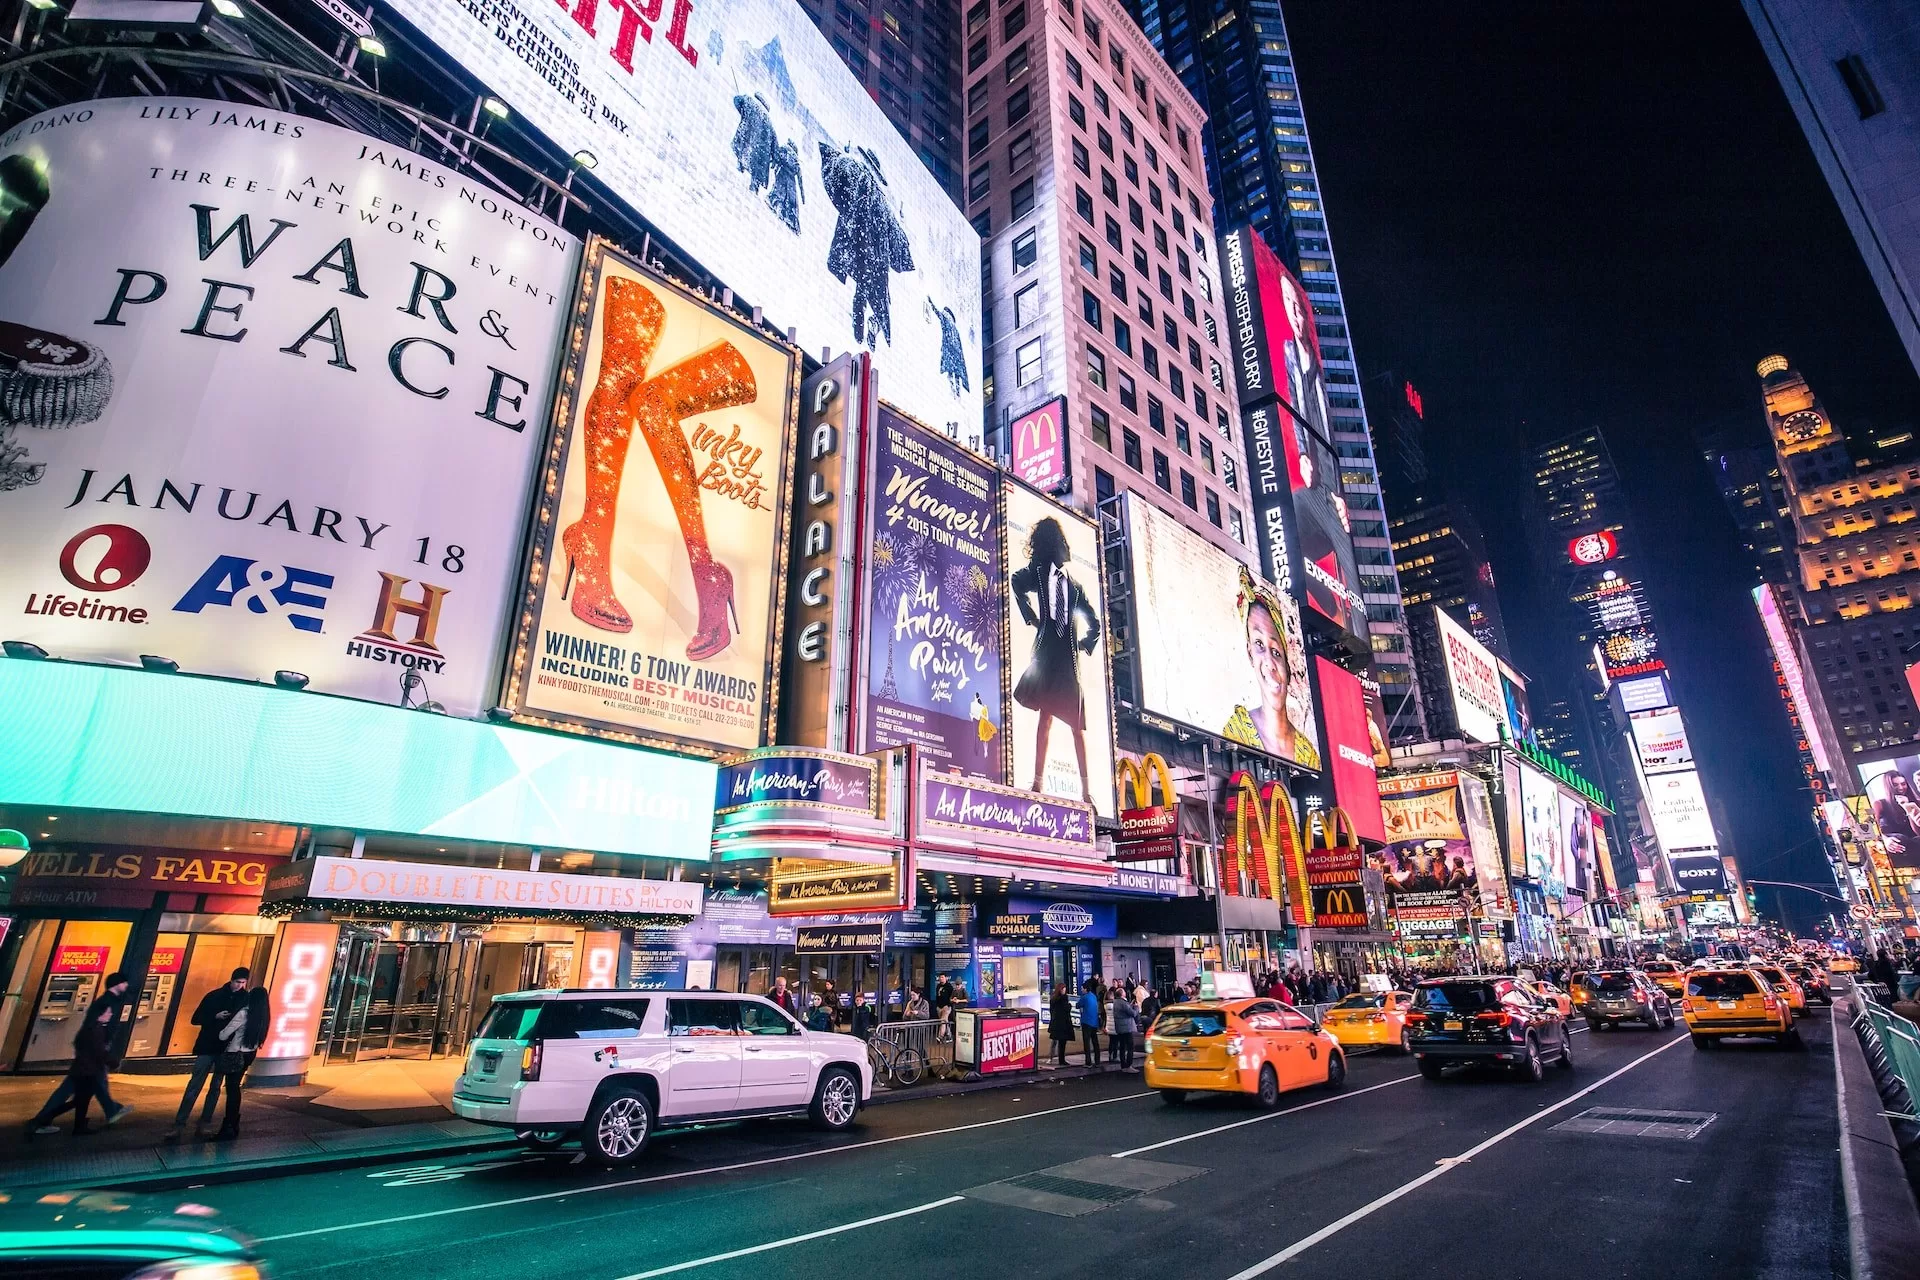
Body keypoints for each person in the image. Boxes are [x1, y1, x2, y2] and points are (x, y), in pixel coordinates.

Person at [1010, 515, 1104, 802]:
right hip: (1046, 656)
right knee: (1046, 717)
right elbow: (1016, 581)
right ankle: (1038, 783)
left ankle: (1086, 792)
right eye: (1061, 542)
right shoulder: (1038, 573)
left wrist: (1085, 644)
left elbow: (1095, 623)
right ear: (1052, 545)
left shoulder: (1074, 586)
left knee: (1076, 726)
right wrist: (1031, 618)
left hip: (1068, 662)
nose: (1066, 547)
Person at [1225, 567, 1319, 768]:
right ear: (1250, 653)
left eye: (1276, 651)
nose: (1269, 662)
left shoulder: (1308, 754)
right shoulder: (1237, 730)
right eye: (1259, 645)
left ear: (1287, 662)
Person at [25, 972, 132, 1138]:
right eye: (124, 982)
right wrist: (106, 1054)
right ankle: (42, 1120)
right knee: (80, 1091)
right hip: (92, 1055)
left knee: (87, 1087)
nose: (126, 985)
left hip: (90, 1056)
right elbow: (92, 1032)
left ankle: (106, 1112)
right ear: (116, 984)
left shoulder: (108, 1002)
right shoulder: (105, 1004)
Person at [167, 967, 251, 1141]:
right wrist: (215, 1016)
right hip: (212, 1046)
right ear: (232, 980)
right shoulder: (216, 996)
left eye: (243, 983)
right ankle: (182, 1124)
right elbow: (196, 1018)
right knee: (198, 1085)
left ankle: (199, 1123)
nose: (240, 986)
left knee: (213, 1087)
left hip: (221, 1048)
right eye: (238, 982)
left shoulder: (240, 998)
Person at [1110, 986, 1140, 1071]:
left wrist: (1130, 1005)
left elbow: (1124, 1011)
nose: (1125, 992)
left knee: (1122, 1047)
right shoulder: (1123, 1003)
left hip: (1119, 1027)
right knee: (1130, 1046)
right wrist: (1136, 1007)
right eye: (1123, 992)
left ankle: (1123, 1065)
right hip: (1126, 1028)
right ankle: (1128, 1065)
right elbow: (1133, 1013)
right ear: (1122, 994)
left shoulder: (1115, 1002)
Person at [1048, 983, 1074, 1067]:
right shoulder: (1064, 999)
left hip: (1055, 1023)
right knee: (1062, 1043)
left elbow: (1051, 1010)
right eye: (1063, 989)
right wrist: (1069, 1005)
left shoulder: (1053, 999)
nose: (1064, 990)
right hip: (1063, 1024)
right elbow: (1066, 1009)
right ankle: (1061, 1060)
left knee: (1055, 1041)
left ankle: (1051, 1058)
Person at [1078, 979, 1102, 1067]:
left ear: (1085, 989)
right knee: (1095, 1042)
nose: (1081, 990)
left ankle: (1088, 1062)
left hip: (1086, 1022)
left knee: (1087, 1043)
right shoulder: (1093, 996)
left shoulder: (1084, 997)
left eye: (1082, 988)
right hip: (1094, 1022)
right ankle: (1097, 1061)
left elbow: (1078, 1005)